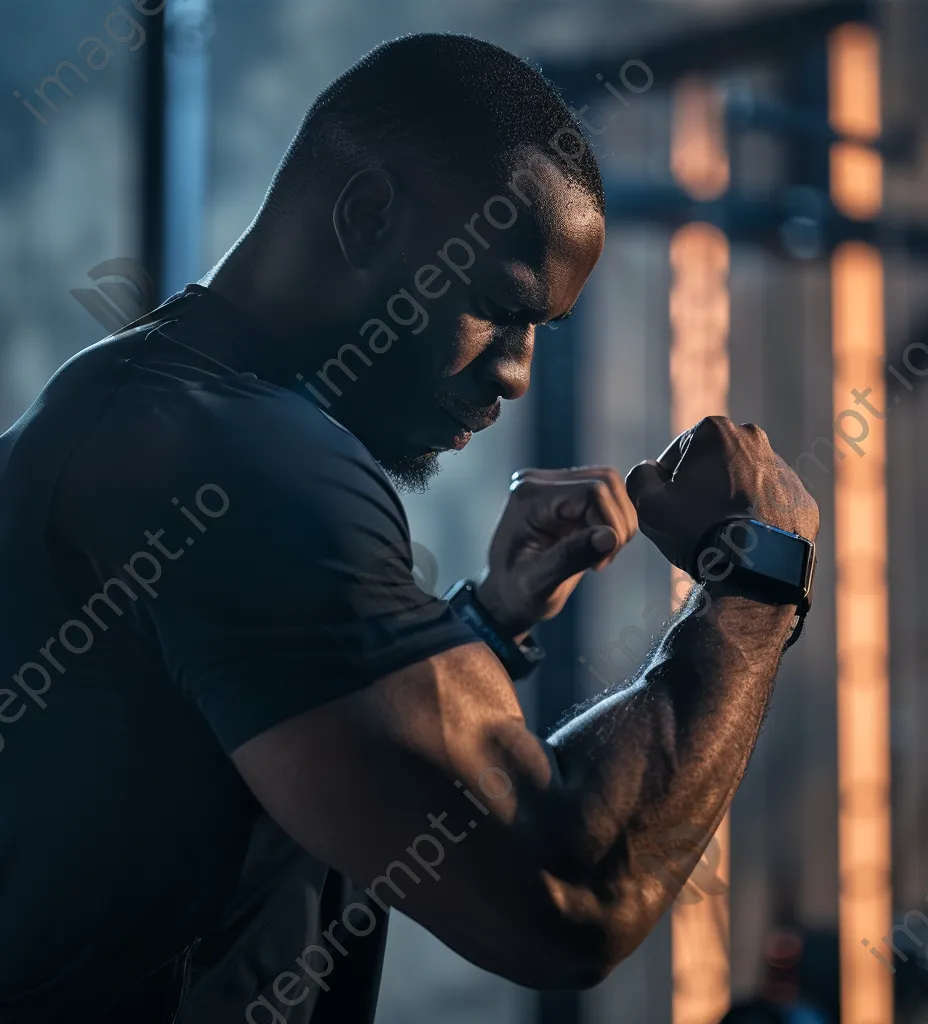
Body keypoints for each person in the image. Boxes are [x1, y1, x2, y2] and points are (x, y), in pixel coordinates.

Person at [0, 32, 819, 1024]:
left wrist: (483, 623)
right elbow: (563, 893)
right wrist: (755, 577)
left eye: (537, 333)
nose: (514, 374)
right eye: (494, 309)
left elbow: (275, 778)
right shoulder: (243, 464)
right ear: (368, 213)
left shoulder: (140, 404)